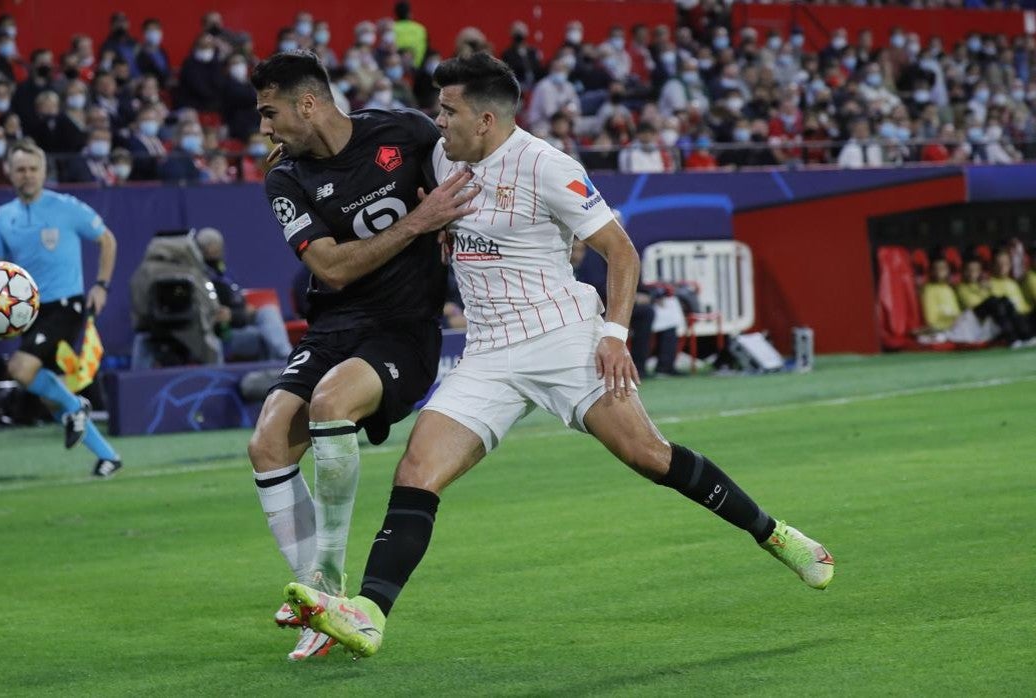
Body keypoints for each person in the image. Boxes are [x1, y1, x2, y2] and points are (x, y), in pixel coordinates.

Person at [284, 53, 835, 659]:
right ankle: (368, 614)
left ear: (487, 119)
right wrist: (292, 148)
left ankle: (776, 534)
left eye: (449, 110)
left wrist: (614, 336)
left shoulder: (548, 166)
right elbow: (363, 154)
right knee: (416, 474)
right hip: (489, 351)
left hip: (563, 337)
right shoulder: (443, 157)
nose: (437, 120)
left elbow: (621, 253)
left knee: (648, 456)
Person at [246, 51, 479, 662]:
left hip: (403, 331)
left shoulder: (404, 133)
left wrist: (446, 220)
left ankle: (323, 582)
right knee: (267, 442)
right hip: (335, 327)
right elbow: (329, 268)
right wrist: (418, 222)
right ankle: (322, 610)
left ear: (308, 103)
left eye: (270, 113)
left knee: (330, 402)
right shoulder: (284, 178)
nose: (264, 129)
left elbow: (468, 178)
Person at [0, 140, 122, 477]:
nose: (27, 175)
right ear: (10, 173)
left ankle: (79, 406)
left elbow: (107, 240)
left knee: (19, 368)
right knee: (47, 393)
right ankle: (107, 456)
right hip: (26, 312)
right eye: (20, 170)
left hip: (65, 305)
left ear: (44, 171)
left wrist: (101, 286)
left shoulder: (66, 207)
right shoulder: (4, 217)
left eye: (33, 169)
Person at [192, 227, 293, 362]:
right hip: (224, 334)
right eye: (208, 246)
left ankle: (287, 357)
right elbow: (221, 316)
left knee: (268, 311)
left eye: (216, 245)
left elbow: (238, 308)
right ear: (200, 251)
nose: (213, 250)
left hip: (242, 320)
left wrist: (241, 313)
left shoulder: (226, 274)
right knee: (262, 336)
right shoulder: (200, 279)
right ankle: (282, 364)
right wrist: (239, 314)